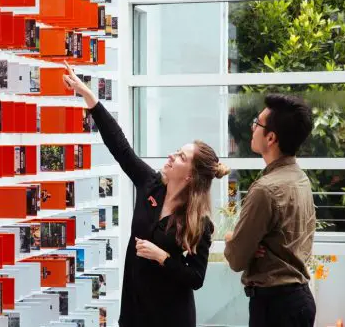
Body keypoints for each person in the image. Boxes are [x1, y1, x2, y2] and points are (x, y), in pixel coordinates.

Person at [62, 61, 230, 327]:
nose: (172, 155)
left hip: (171, 318)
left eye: (181, 157)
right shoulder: (151, 184)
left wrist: (163, 257)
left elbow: (195, 278)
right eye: (177, 151)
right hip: (133, 312)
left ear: (189, 175)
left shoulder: (199, 223)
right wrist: (90, 98)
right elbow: (121, 148)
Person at [224, 94, 316, 327]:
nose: (252, 127)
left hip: (275, 308)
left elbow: (236, 258)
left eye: (258, 122)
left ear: (271, 138)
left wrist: (231, 238)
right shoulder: (300, 178)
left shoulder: (265, 190)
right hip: (299, 300)